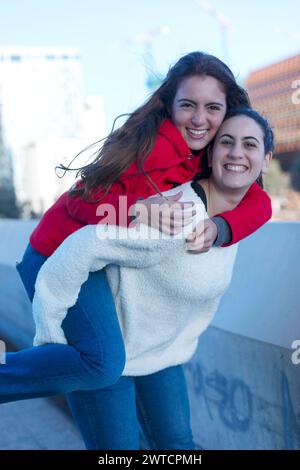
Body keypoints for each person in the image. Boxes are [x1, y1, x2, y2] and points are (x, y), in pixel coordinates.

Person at [2, 52, 271, 447]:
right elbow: (81, 204)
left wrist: (220, 227)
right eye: (188, 106)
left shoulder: (208, 155)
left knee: (121, 385)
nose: (200, 119)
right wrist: (139, 209)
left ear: (227, 108)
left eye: (213, 108)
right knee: (101, 365)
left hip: (98, 259)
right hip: (55, 249)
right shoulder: (152, 145)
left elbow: (259, 201)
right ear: (169, 104)